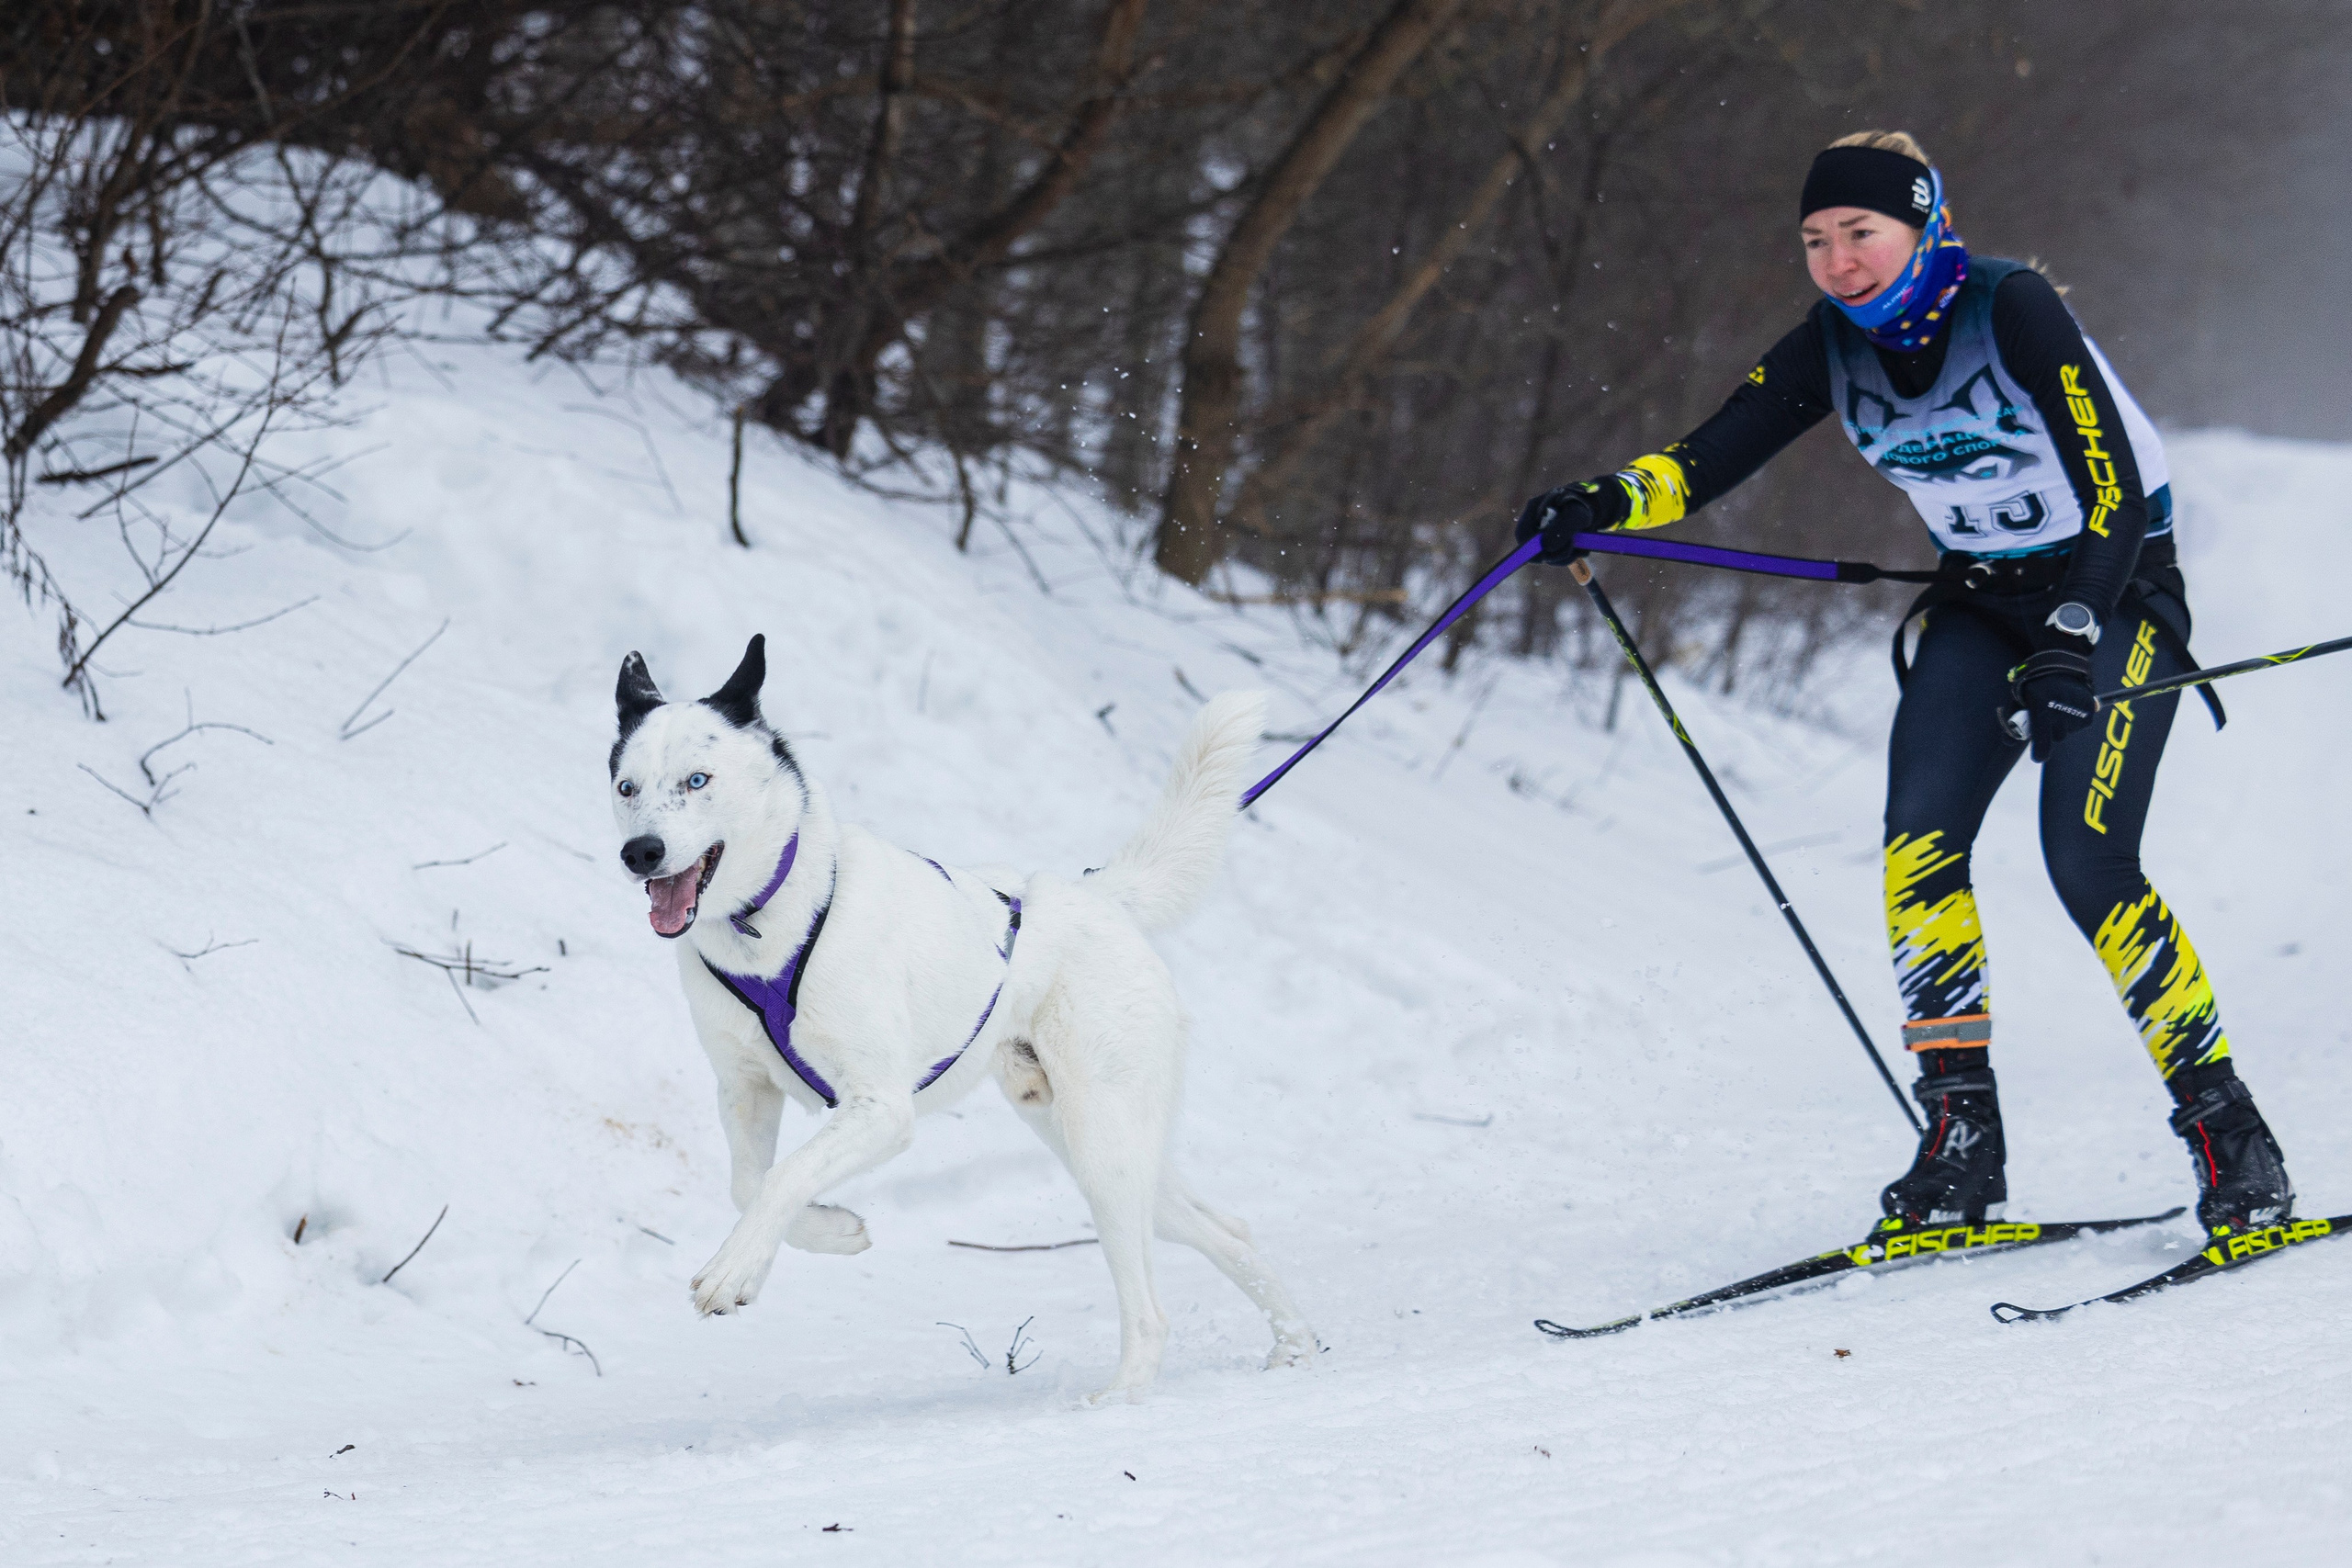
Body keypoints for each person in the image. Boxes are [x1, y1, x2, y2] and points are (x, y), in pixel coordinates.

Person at [1514, 130, 2292, 1240]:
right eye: (1815, 240)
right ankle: (1960, 1140)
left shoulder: (2010, 306)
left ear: (1922, 226)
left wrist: (2074, 630)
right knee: (1918, 849)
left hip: (2110, 595)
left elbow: (2114, 491)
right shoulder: (1830, 345)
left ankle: (2232, 1137)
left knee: (2084, 857)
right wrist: (1594, 500)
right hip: (1979, 603)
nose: (1838, 260)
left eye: (1861, 233)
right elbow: (1704, 460)